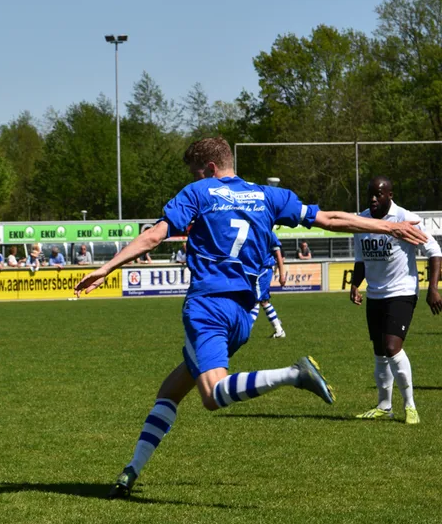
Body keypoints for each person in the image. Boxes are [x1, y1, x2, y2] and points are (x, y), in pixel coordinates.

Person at [74, 137, 428, 498]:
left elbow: (153, 237)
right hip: (243, 316)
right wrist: (390, 227)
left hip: (208, 306)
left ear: (210, 169)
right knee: (172, 389)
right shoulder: (267, 196)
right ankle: (131, 471)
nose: (195, 178)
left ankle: (294, 374)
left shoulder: (199, 192)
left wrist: (106, 268)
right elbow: (330, 219)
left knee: (212, 395)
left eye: (196, 172)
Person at [350, 176, 441, 425]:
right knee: (380, 352)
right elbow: (360, 259)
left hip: (402, 292)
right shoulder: (361, 221)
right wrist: (355, 285)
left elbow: (434, 250)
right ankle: (384, 406)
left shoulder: (404, 218)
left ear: (389, 195)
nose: (373, 199)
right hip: (375, 294)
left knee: (392, 347)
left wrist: (433, 288)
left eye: (378, 194)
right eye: (370, 194)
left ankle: (410, 406)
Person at [249, 229, 287, 338]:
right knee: (263, 301)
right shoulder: (253, 231)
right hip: (256, 269)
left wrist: (282, 274)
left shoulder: (269, 234)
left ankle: (246, 330)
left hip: (263, 270)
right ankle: (279, 330)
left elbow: (278, 254)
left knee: (256, 300)